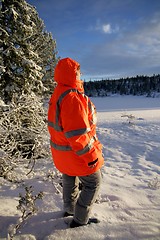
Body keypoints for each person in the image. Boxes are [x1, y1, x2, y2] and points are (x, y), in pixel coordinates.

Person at [47, 57, 104, 228]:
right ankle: (79, 220)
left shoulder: (59, 92)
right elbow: (77, 135)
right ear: (72, 74)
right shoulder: (72, 98)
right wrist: (91, 157)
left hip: (62, 153)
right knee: (94, 182)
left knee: (69, 176)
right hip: (74, 153)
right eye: (78, 72)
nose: (80, 74)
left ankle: (69, 210)